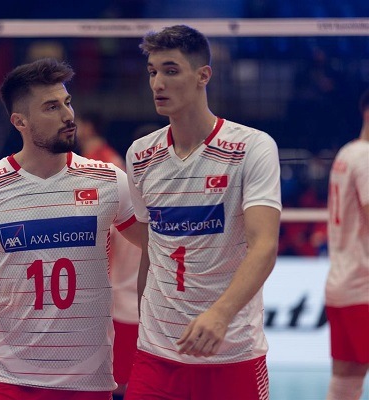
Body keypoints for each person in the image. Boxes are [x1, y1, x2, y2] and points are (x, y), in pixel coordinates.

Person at [0, 58, 144, 400]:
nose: (68, 115)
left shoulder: (109, 181)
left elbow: (158, 245)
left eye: (67, 102)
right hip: (8, 378)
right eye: (51, 107)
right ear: (20, 121)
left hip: (88, 381)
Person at [124, 25, 282, 400]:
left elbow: (264, 246)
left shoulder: (252, 147)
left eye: (171, 70)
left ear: (203, 76)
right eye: (152, 72)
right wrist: (145, 321)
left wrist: (220, 315)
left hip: (232, 354)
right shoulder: (140, 155)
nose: (158, 83)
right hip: (157, 357)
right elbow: (151, 248)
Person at [76, 112, 140, 399]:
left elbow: (106, 234)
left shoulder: (105, 167)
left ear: (88, 127)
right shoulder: (90, 162)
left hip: (116, 297)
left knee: (117, 381)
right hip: (114, 297)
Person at [324, 88, 369, 400]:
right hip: (363, 286)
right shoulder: (366, 157)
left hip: (343, 284)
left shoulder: (347, 153)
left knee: (346, 378)